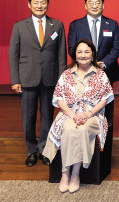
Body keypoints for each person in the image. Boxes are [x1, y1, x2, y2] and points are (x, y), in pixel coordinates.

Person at [42, 39, 114, 193]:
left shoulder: (100, 74)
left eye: (87, 52)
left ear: (92, 54)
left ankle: (75, 174)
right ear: (74, 54)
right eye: (79, 52)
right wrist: (72, 115)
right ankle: (64, 173)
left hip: (93, 116)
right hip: (70, 114)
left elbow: (105, 98)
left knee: (82, 130)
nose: (83, 55)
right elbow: (59, 98)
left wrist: (88, 113)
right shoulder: (66, 74)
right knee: (68, 129)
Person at [9, 0, 66, 167]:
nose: (39, 5)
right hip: (27, 78)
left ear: (48, 4)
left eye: (43, 2)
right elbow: (13, 54)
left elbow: (61, 55)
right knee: (29, 116)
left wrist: (62, 80)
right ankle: (31, 150)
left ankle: (45, 149)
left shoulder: (56, 25)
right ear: (29, 4)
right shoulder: (19, 26)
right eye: (36, 2)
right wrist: (15, 79)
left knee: (48, 116)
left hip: (50, 78)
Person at [68, 0, 119, 85]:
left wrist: (104, 63)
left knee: (106, 100)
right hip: (82, 71)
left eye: (97, 3)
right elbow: (72, 48)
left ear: (103, 5)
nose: (94, 6)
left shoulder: (112, 24)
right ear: (85, 6)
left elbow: (116, 48)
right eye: (91, 3)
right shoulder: (76, 25)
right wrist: (87, 63)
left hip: (107, 71)